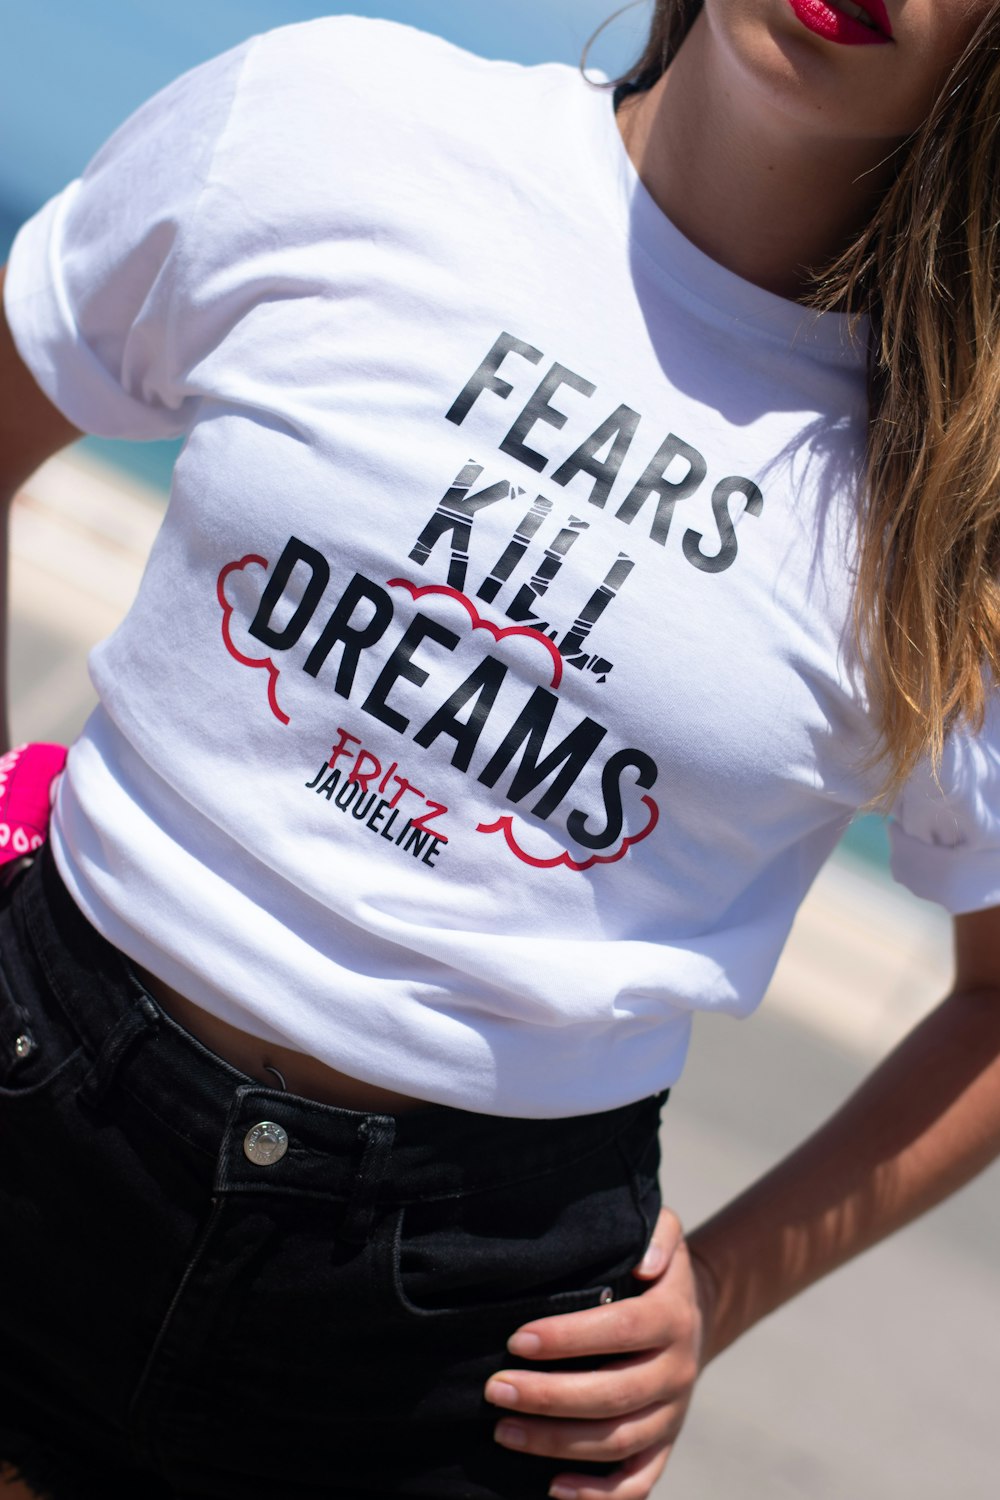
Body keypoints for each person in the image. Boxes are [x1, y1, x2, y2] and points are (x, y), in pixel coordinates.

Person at [2, 1, 1000, 1496]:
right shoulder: (342, 125)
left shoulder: (957, 499)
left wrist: (722, 1287)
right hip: (40, 1088)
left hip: (465, 1324)